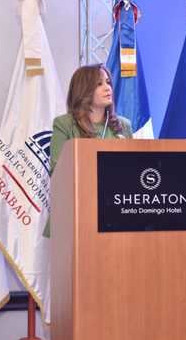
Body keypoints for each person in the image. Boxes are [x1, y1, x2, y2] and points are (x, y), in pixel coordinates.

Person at [44, 64, 132, 237]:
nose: (107, 88)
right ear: (83, 90)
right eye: (99, 84)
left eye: (108, 82)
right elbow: (58, 169)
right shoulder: (65, 124)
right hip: (75, 214)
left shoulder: (123, 126)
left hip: (115, 215)